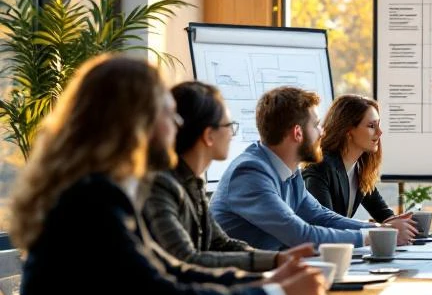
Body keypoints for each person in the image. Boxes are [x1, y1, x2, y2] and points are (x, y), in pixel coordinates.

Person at [6, 56, 326, 295]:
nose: (177, 123)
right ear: (136, 122)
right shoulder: (92, 198)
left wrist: (266, 281)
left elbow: (172, 270)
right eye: (168, 112)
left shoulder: (102, 190)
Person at [211, 86, 415, 249]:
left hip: (276, 274)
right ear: (298, 133)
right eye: (316, 125)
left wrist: (381, 228)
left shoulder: (289, 172)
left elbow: (320, 216)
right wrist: (375, 234)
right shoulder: (250, 173)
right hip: (241, 286)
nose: (323, 132)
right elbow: (301, 234)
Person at [143, 81, 315, 271]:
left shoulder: (193, 183)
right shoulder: (161, 185)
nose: (232, 135)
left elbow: (221, 244)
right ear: (209, 135)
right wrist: (275, 262)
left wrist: (279, 259)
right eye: (228, 126)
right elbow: (187, 260)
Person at [303, 95, 407, 229]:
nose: (379, 132)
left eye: (378, 125)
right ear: (348, 130)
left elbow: (383, 215)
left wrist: (408, 225)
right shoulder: (320, 167)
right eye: (371, 126)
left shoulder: (359, 169)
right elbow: (325, 223)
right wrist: (380, 228)